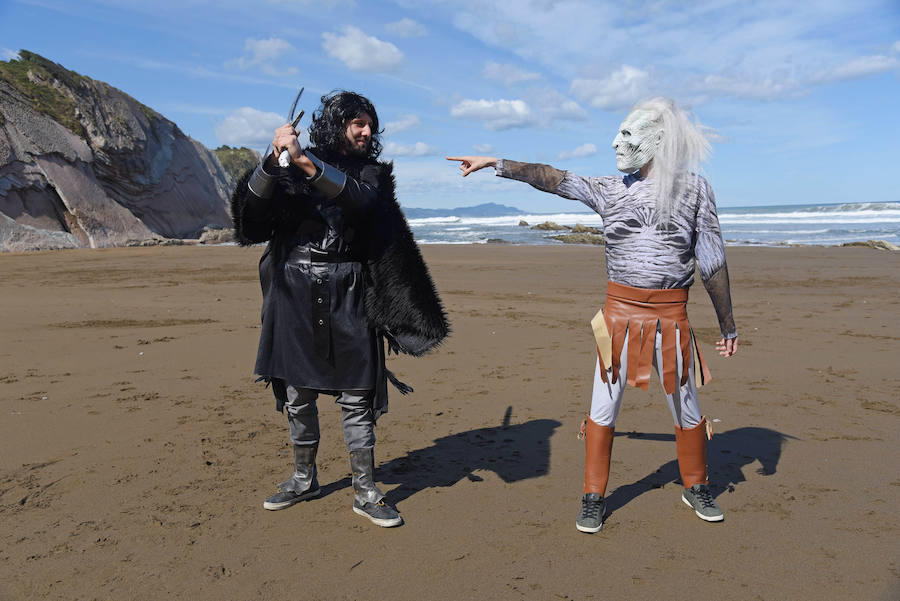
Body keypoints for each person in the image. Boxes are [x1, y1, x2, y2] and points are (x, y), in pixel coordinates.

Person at [447, 97, 738, 532]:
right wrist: (496, 163)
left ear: (657, 140)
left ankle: (695, 484)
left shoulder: (696, 190)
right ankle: (593, 495)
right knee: (605, 402)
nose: (615, 142)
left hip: (672, 319)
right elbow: (553, 178)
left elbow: (712, 260)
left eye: (626, 134)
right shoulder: (608, 188)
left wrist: (727, 324)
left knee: (686, 404)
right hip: (617, 317)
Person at [232, 91, 449, 527]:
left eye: (370, 123)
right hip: (292, 290)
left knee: (356, 395)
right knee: (297, 393)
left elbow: (361, 202)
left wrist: (305, 163)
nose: (367, 131)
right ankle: (302, 476)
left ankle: (366, 490)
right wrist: (273, 164)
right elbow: (249, 221)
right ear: (337, 124)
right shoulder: (291, 167)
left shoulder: (371, 173)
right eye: (358, 123)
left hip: (350, 290)